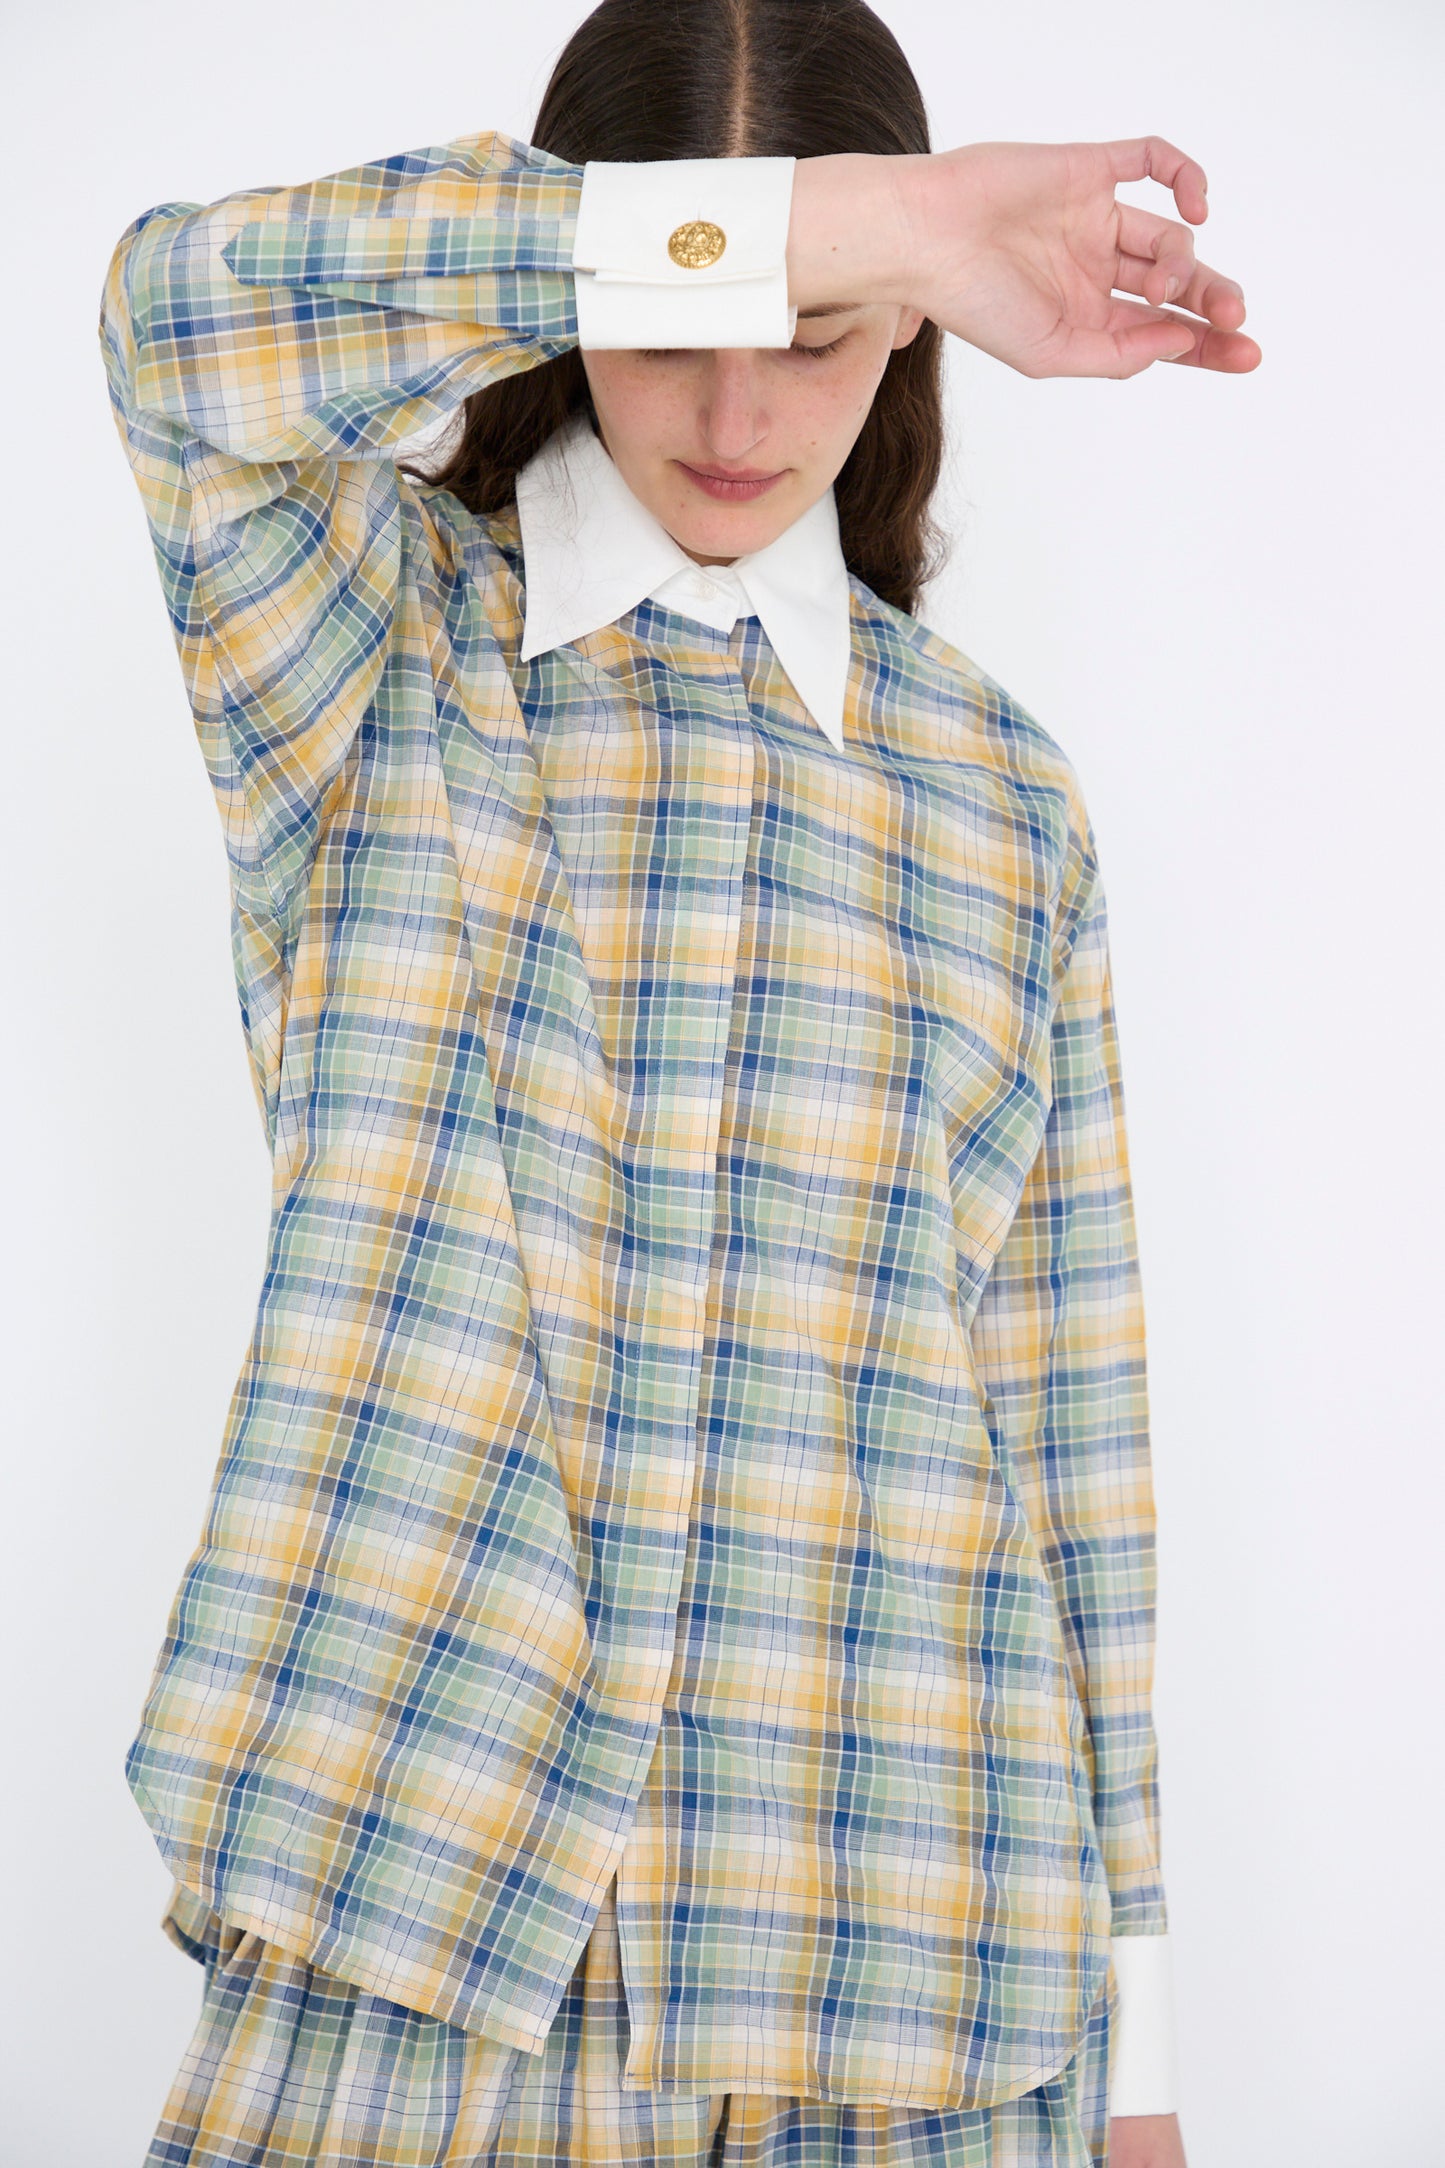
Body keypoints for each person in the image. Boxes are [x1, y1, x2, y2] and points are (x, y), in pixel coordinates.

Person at [100, 1, 1258, 2162]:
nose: (741, 407)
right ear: (578, 298)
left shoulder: (1003, 799)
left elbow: (1065, 1425)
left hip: (909, 1968)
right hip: (413, 1926)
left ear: (908, 339)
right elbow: (178, 314)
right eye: (677, 312)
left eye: (826, 332)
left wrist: (1150, 2043)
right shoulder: (367, 644)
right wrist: (836, 218)